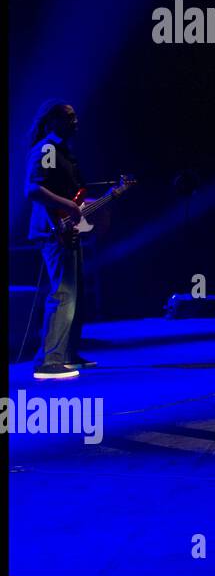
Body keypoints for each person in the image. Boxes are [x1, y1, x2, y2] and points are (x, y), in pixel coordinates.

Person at [24, 100, 99, 380]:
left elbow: (72, 196)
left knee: (75, 292)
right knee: (63, 292)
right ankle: (49, 360)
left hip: (68, 228)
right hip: (52, 229)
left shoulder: (65, 153)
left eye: (76, 116)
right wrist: (67, 207)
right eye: (70, 117)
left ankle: (67, 354)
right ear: (54, 121)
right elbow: (33, 189)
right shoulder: (46, 149)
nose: (76, 121)